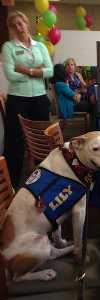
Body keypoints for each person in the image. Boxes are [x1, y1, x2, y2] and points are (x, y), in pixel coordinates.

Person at [2, 10, 53, 185]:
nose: (18, 27)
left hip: (39, 98)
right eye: (14, 25)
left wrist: (25, 70)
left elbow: (50, 70)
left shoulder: (41, 47)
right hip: (18, 99)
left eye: (21, 23)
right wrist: (37, 72)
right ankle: (12, 184)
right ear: (11, 29)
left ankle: (43, 181)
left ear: (27, 24)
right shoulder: (9, 47)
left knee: (42, 141)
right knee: (14, 144)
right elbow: (10, 74)